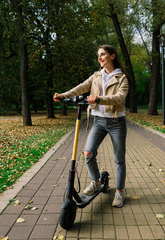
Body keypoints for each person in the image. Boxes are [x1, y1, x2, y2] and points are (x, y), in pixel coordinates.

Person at [53, 45, 129, 208]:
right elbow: (81, 87)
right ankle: (95, 182)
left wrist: (99, 99)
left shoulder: (122, 78)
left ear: (112, 56)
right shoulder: (96, 75)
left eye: (103, 54)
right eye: (98, 55)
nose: (99, 58)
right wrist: (63, 95)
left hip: (117, 123)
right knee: (88, 153)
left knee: (119, 160)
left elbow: (119, 98)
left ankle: (119, 192)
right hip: (99, 121)